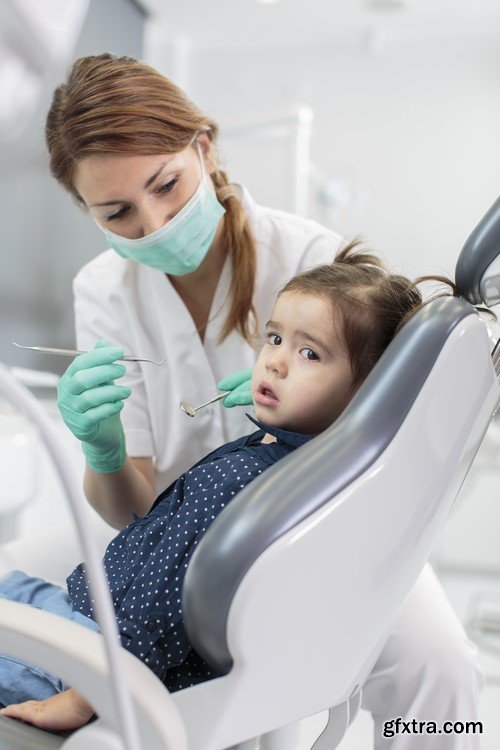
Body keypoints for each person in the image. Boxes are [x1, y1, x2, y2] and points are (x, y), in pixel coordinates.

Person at [31, 53, 481, 748]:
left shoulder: (308, 253)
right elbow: (134, 506)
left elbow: (380, 440)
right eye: (117, 213)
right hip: (172, 525)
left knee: (443, 670)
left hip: (324, 525)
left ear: (203, 149)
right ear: (86, 212)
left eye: (167, 186)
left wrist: (323, 421)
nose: (152, 224)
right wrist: (104, 448)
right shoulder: (102, 290)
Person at [0, 245, 467, 733]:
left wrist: (86, 695)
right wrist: (105, 451)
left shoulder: (237, 482)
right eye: (274, 337)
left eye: (310, 353)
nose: (274, 363)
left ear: (367, 393)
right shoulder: (303, 463)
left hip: (108, 656)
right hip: (105, 621)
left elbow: (161, 598)